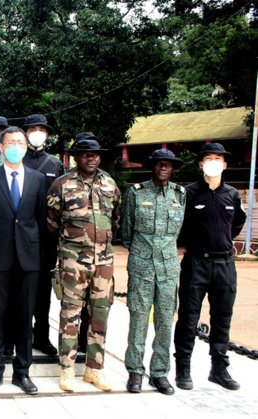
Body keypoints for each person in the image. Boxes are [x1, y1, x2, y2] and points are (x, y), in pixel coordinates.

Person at [46, 133, 121, 393]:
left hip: (104, 260)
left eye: (96, 154)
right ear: (76, 157)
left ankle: (94, 369)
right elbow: (52, 222)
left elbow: (116, 220)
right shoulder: (62, 184)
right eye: (86, 154)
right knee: (71, 313)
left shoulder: (110, 183)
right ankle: (66, 369)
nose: (92, 158)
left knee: (100, 314)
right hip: (73, 259)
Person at [0, 126, 47, 396]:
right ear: (2, 148)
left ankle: (22, 372)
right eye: (10, 142)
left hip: (29, 260)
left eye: (20, 141)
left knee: (24, 318)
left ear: (26, 147)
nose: (15, 146)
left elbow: (41, 221)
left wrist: (41, 258)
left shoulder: (39, 179)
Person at [173, 143, 246, 391]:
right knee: (188, 318)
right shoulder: (189, 193)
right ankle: (183, 367)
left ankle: (219, 369)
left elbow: (236, 223)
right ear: (200, 164)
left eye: (218, 158)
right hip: (196, 263)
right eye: (208, 158)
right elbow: (180, 226)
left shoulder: (232, 195)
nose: (214, 162)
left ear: (225, 164)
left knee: (222, 317)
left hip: (225, 263)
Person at [122, 149, 186, 395]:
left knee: (165, 322)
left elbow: (178, 232)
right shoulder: (136, 193)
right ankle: (135, 372)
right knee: (138, 319)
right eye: (158, 164)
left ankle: (159, 373)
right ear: (152, 167)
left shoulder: (180, 195)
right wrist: (142, 253)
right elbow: (126, 232)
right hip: (142, 266)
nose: (163, 168)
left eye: (167, 165)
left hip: (169, 268)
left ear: (172, 169)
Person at [22, 114, 65, 356]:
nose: (37, 133)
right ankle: (19, 335)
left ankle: (42, 336)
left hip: (47, 238)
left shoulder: (55, 164)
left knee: (43, 292)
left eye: (41, 129)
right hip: (22, 236)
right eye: (32, 129)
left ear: (47, 134)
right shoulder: (17, 159)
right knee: (21, 289)